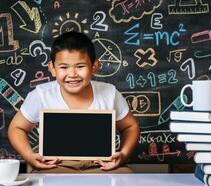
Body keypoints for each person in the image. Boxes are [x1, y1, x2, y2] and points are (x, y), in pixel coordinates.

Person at [8, 31, 140, 173]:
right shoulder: (41, 94)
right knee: (44, 184)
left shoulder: (109, 93)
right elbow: (16, 128)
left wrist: (123, 154)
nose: (72, 74)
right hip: (56, 164)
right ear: (52, 68)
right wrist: (29, 157)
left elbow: (130, 126)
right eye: (64, 67)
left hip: (101, 164)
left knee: (126, 175)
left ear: (94, 67)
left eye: (80, 66)